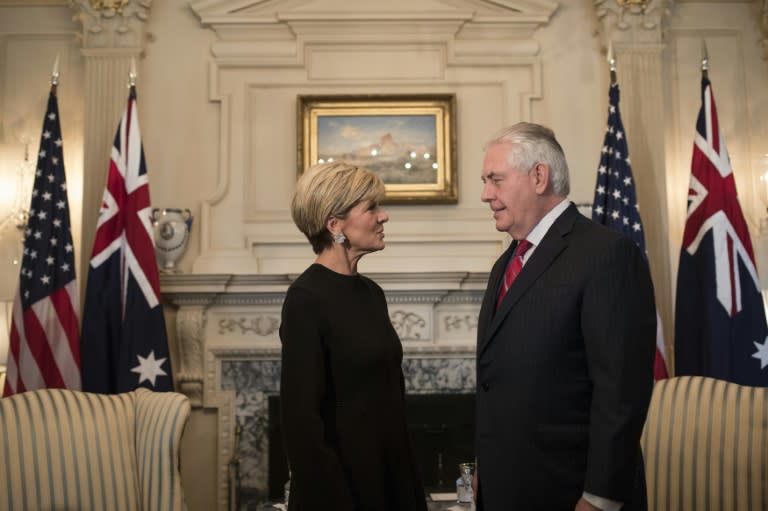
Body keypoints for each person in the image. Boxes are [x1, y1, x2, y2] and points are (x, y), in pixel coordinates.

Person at [472, 122, 656, 511]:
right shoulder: (506, 263)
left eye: (496, 180)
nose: (486, 194)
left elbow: (620, 391)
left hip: (573, 493)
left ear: (539, 176)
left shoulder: (606, 255)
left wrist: (600, 497)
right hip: (510, 488)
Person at [279, 162, 427, 511]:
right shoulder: (305, 299)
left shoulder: (371, 293)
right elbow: (301, 421)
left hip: (391, 478)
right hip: (340, 491)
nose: (384, 216)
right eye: (372, 207)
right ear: (335, 225)